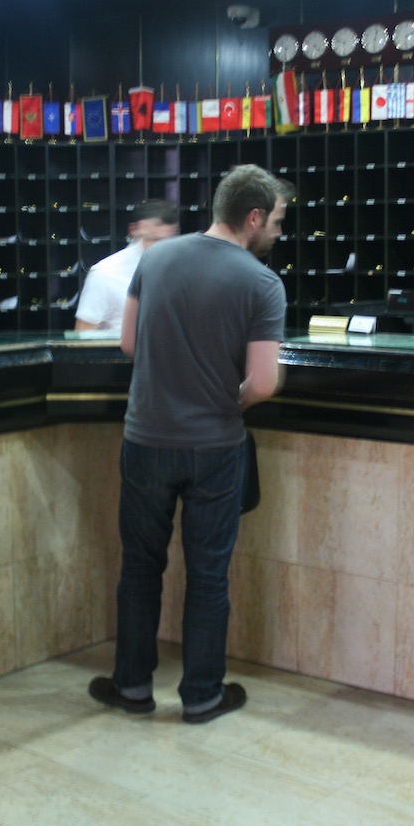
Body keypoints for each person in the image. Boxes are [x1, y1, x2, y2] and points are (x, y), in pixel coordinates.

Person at [89, 164, 292, 724]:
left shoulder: (155, 259)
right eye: (275, 221)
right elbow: (263, 382)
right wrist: (230, 400)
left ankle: (132, 686)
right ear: (251, 217)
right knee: (207, 574)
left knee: (140, 568)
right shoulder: (261, 283)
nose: (278, 230)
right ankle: (202, 694)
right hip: (214, 448)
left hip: (146, 439)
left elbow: (129, 343)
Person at [73, 199, 179, 332]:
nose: (162, 247)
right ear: (134, 230)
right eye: (154, 239)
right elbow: (83, 336)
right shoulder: (104, 274)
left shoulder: (182, 270)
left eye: (168, 240)